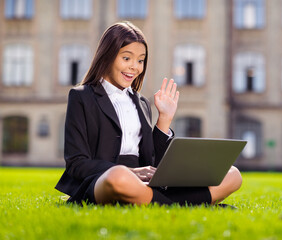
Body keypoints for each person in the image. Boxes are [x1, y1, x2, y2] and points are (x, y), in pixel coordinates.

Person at [55, 21, 242, 206]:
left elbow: (152, 162)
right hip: (104, 180)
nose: (134, 67)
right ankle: (189, 204)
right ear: (107, 56)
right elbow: (76, 164)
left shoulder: (142, 102)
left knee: (233, 174)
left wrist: (165, 118)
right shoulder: (82, 96)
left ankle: (159, 201)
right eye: (126, 58)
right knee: (119, 177)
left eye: (140, 60)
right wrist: (131, 172)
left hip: (144, 185)